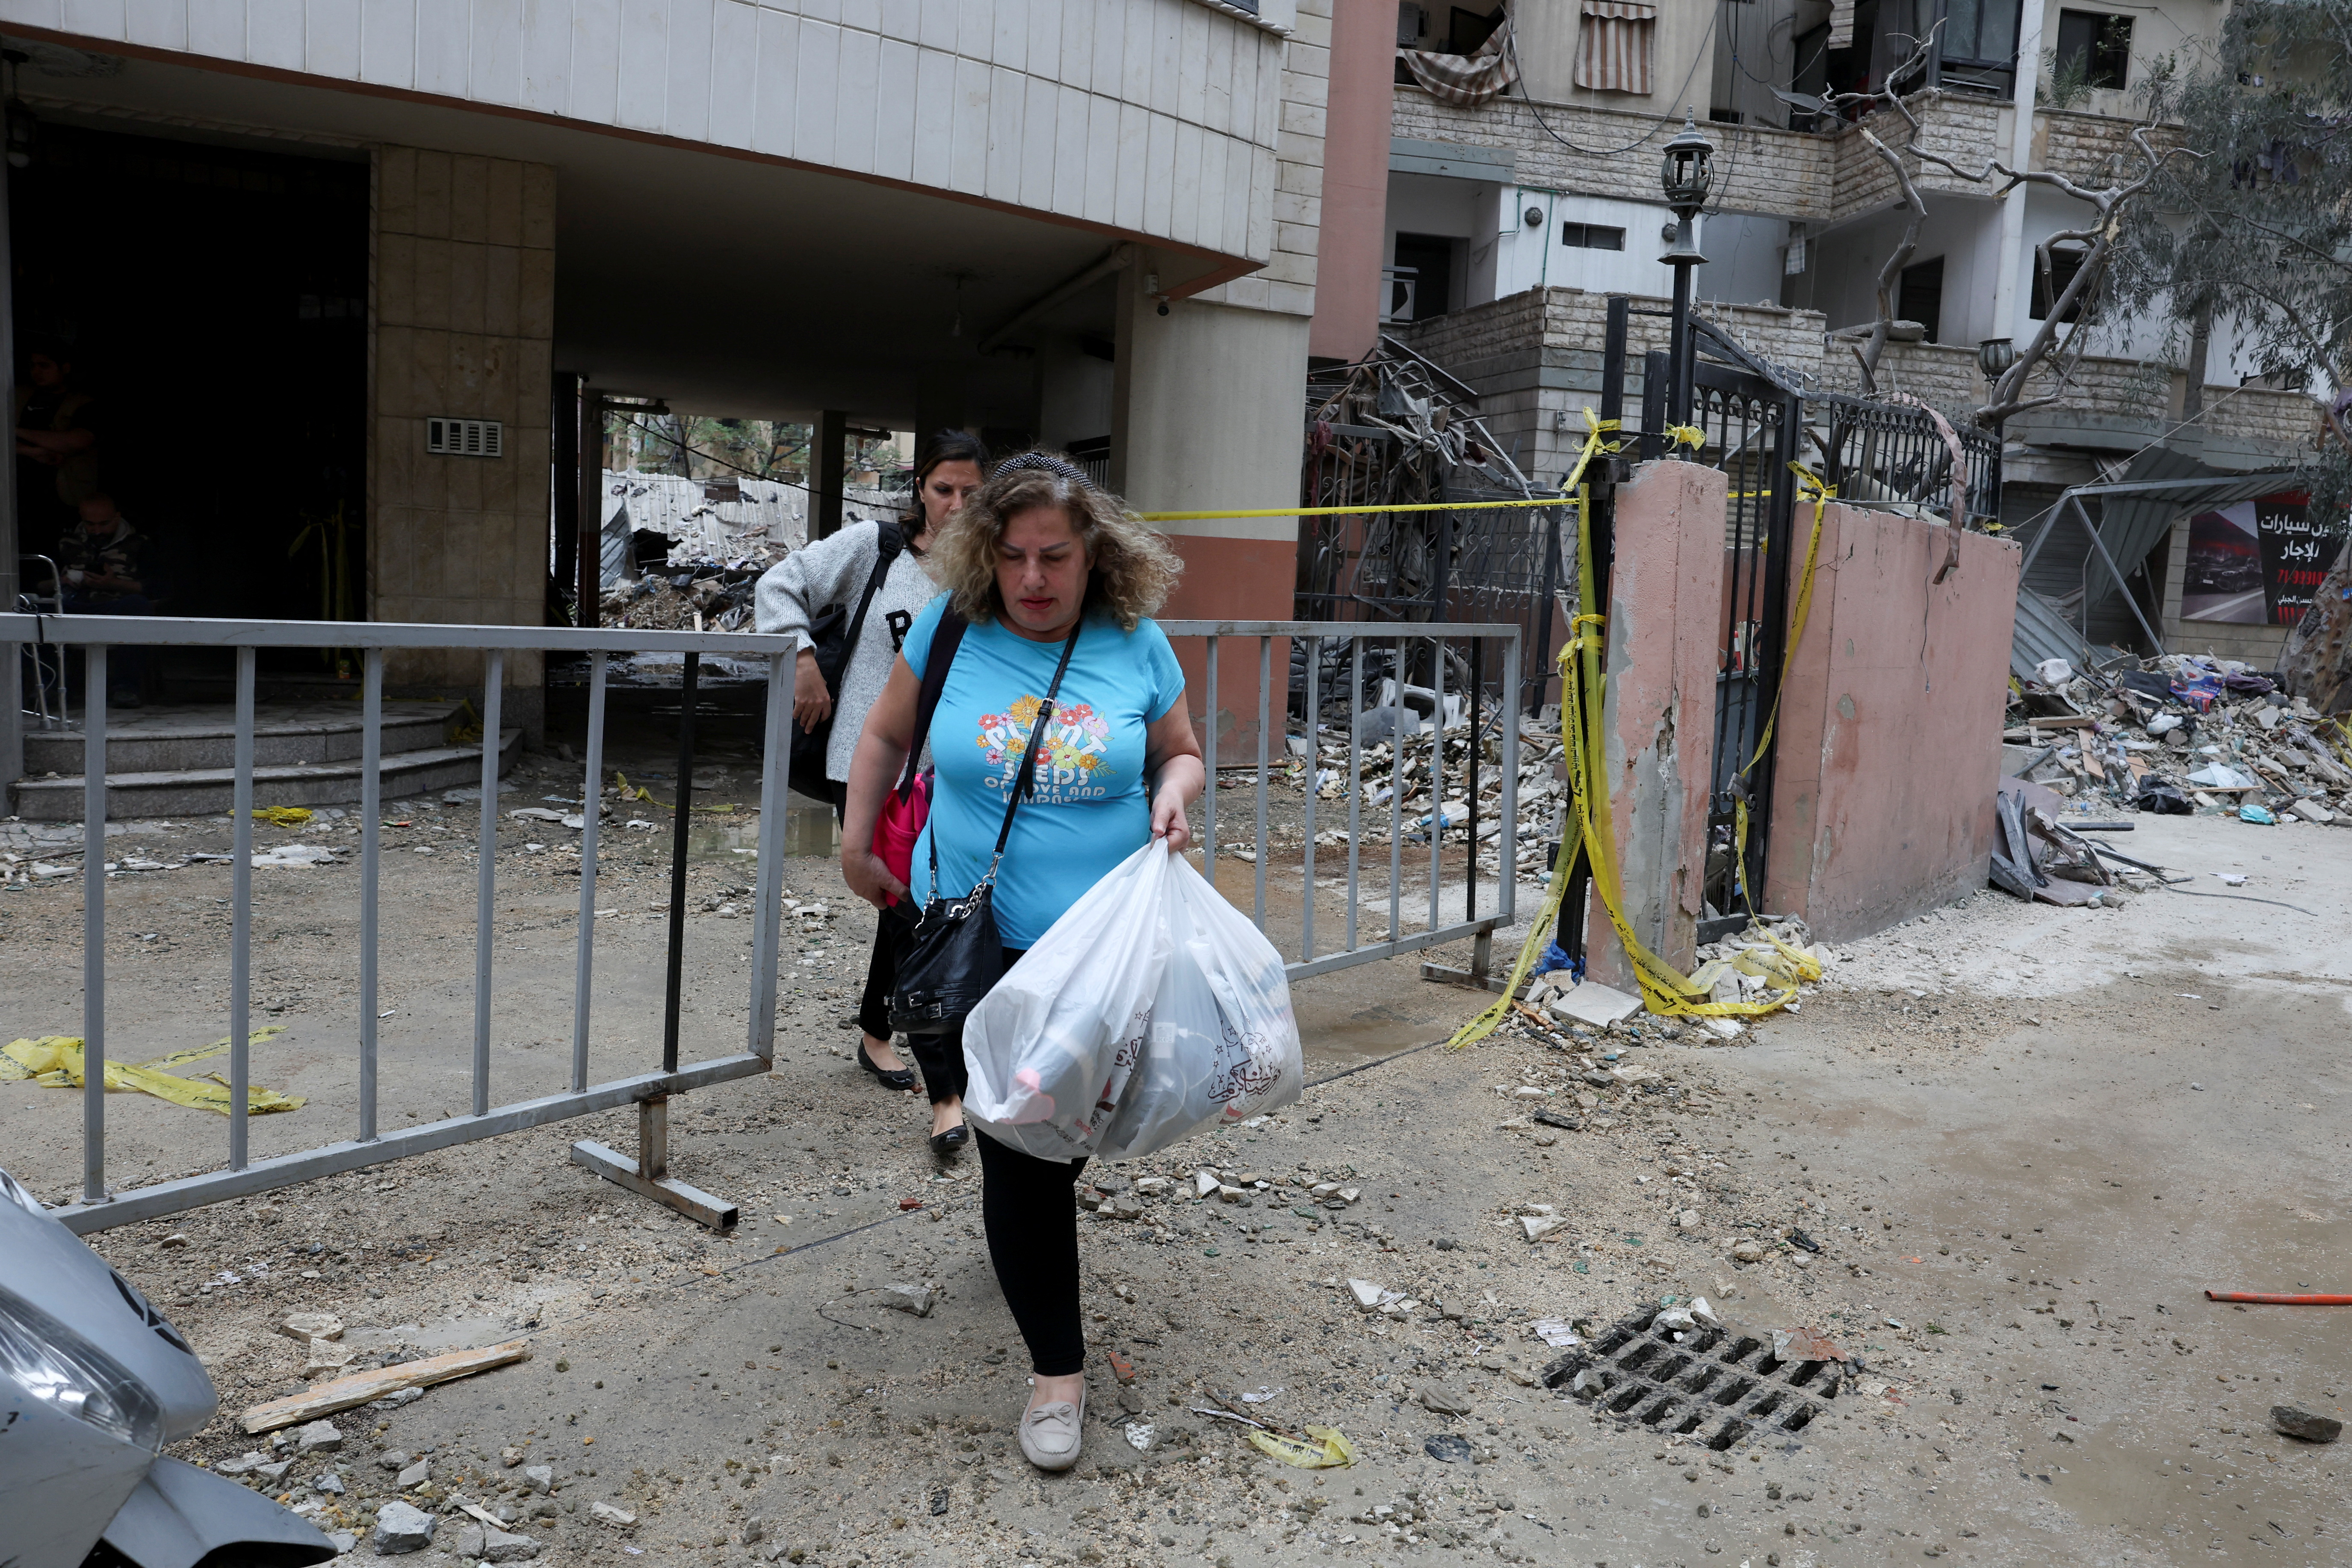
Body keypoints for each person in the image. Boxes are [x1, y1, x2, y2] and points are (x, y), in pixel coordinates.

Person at [839, 452, 1205, 1472]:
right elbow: (881, 731)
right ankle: (1057, 1371)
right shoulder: (957, 631)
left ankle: (1024, 1232)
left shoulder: (1134, 644)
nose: (1032, 578)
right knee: (1022, 1149)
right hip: (978, 941)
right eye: (1011, 556)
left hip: (1100, 948)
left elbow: (1181, 748)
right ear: (983, 557)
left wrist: (1176, 790)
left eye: (1054, 555)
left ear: (1097, 555)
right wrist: (855, 840)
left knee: (1065, 1135)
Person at [755, 431, 986, 1120]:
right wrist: (801, 660)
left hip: (953, 765)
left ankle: (891, 1029)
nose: (955, 504)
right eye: (944, 489)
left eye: (972, 493)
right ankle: (912, 1048)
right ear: (921, 489)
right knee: (906, 899)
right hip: (871, 758)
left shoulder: (989, 568)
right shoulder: (877, 549)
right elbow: (781, 582)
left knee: (923, 898)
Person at [53, 492, 150, 707]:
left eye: (104, 524)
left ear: (117, 518)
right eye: (90, 524)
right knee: (39, 611)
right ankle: (53, 688)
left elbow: (158, 589)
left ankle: (126, 689)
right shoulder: (67, 541)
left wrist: (112, 583)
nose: (97, 531)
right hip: (72, 604)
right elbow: (36, 584)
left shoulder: (140, 544)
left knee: (138, 607)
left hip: (116, 605)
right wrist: (62, 581)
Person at [15, 343, 102, 540]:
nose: (37, 372)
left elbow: (75, 441)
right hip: (17, 491)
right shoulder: (18, 396)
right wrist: (31, 452)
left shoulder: (83, 403)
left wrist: (16, 432)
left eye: (44, 366)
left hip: (62, 494)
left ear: (65, 368)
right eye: (32, 366)